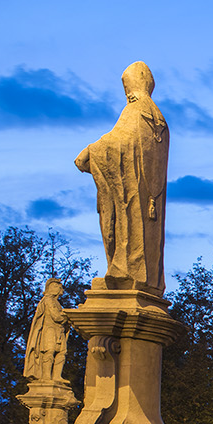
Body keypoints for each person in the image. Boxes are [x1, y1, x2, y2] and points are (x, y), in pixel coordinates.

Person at [74, 62, 169, 293]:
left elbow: (118, 142)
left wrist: (90, 152)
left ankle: (123, 272)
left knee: (127, 224)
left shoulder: (135, 110)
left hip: (133, 194)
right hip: (149, 197)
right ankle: (150, 279)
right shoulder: (159, 118)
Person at [23, 278, 68, 383]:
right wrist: (67, 316)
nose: (57, 289)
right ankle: (46, 377)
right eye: (54, 286)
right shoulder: (48, 300)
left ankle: (57, 376)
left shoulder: (56, 302)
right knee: (49, 351)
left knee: (62, 352)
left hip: (58, 330)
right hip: (49, 330)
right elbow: (56, 317)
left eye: (58, 287)